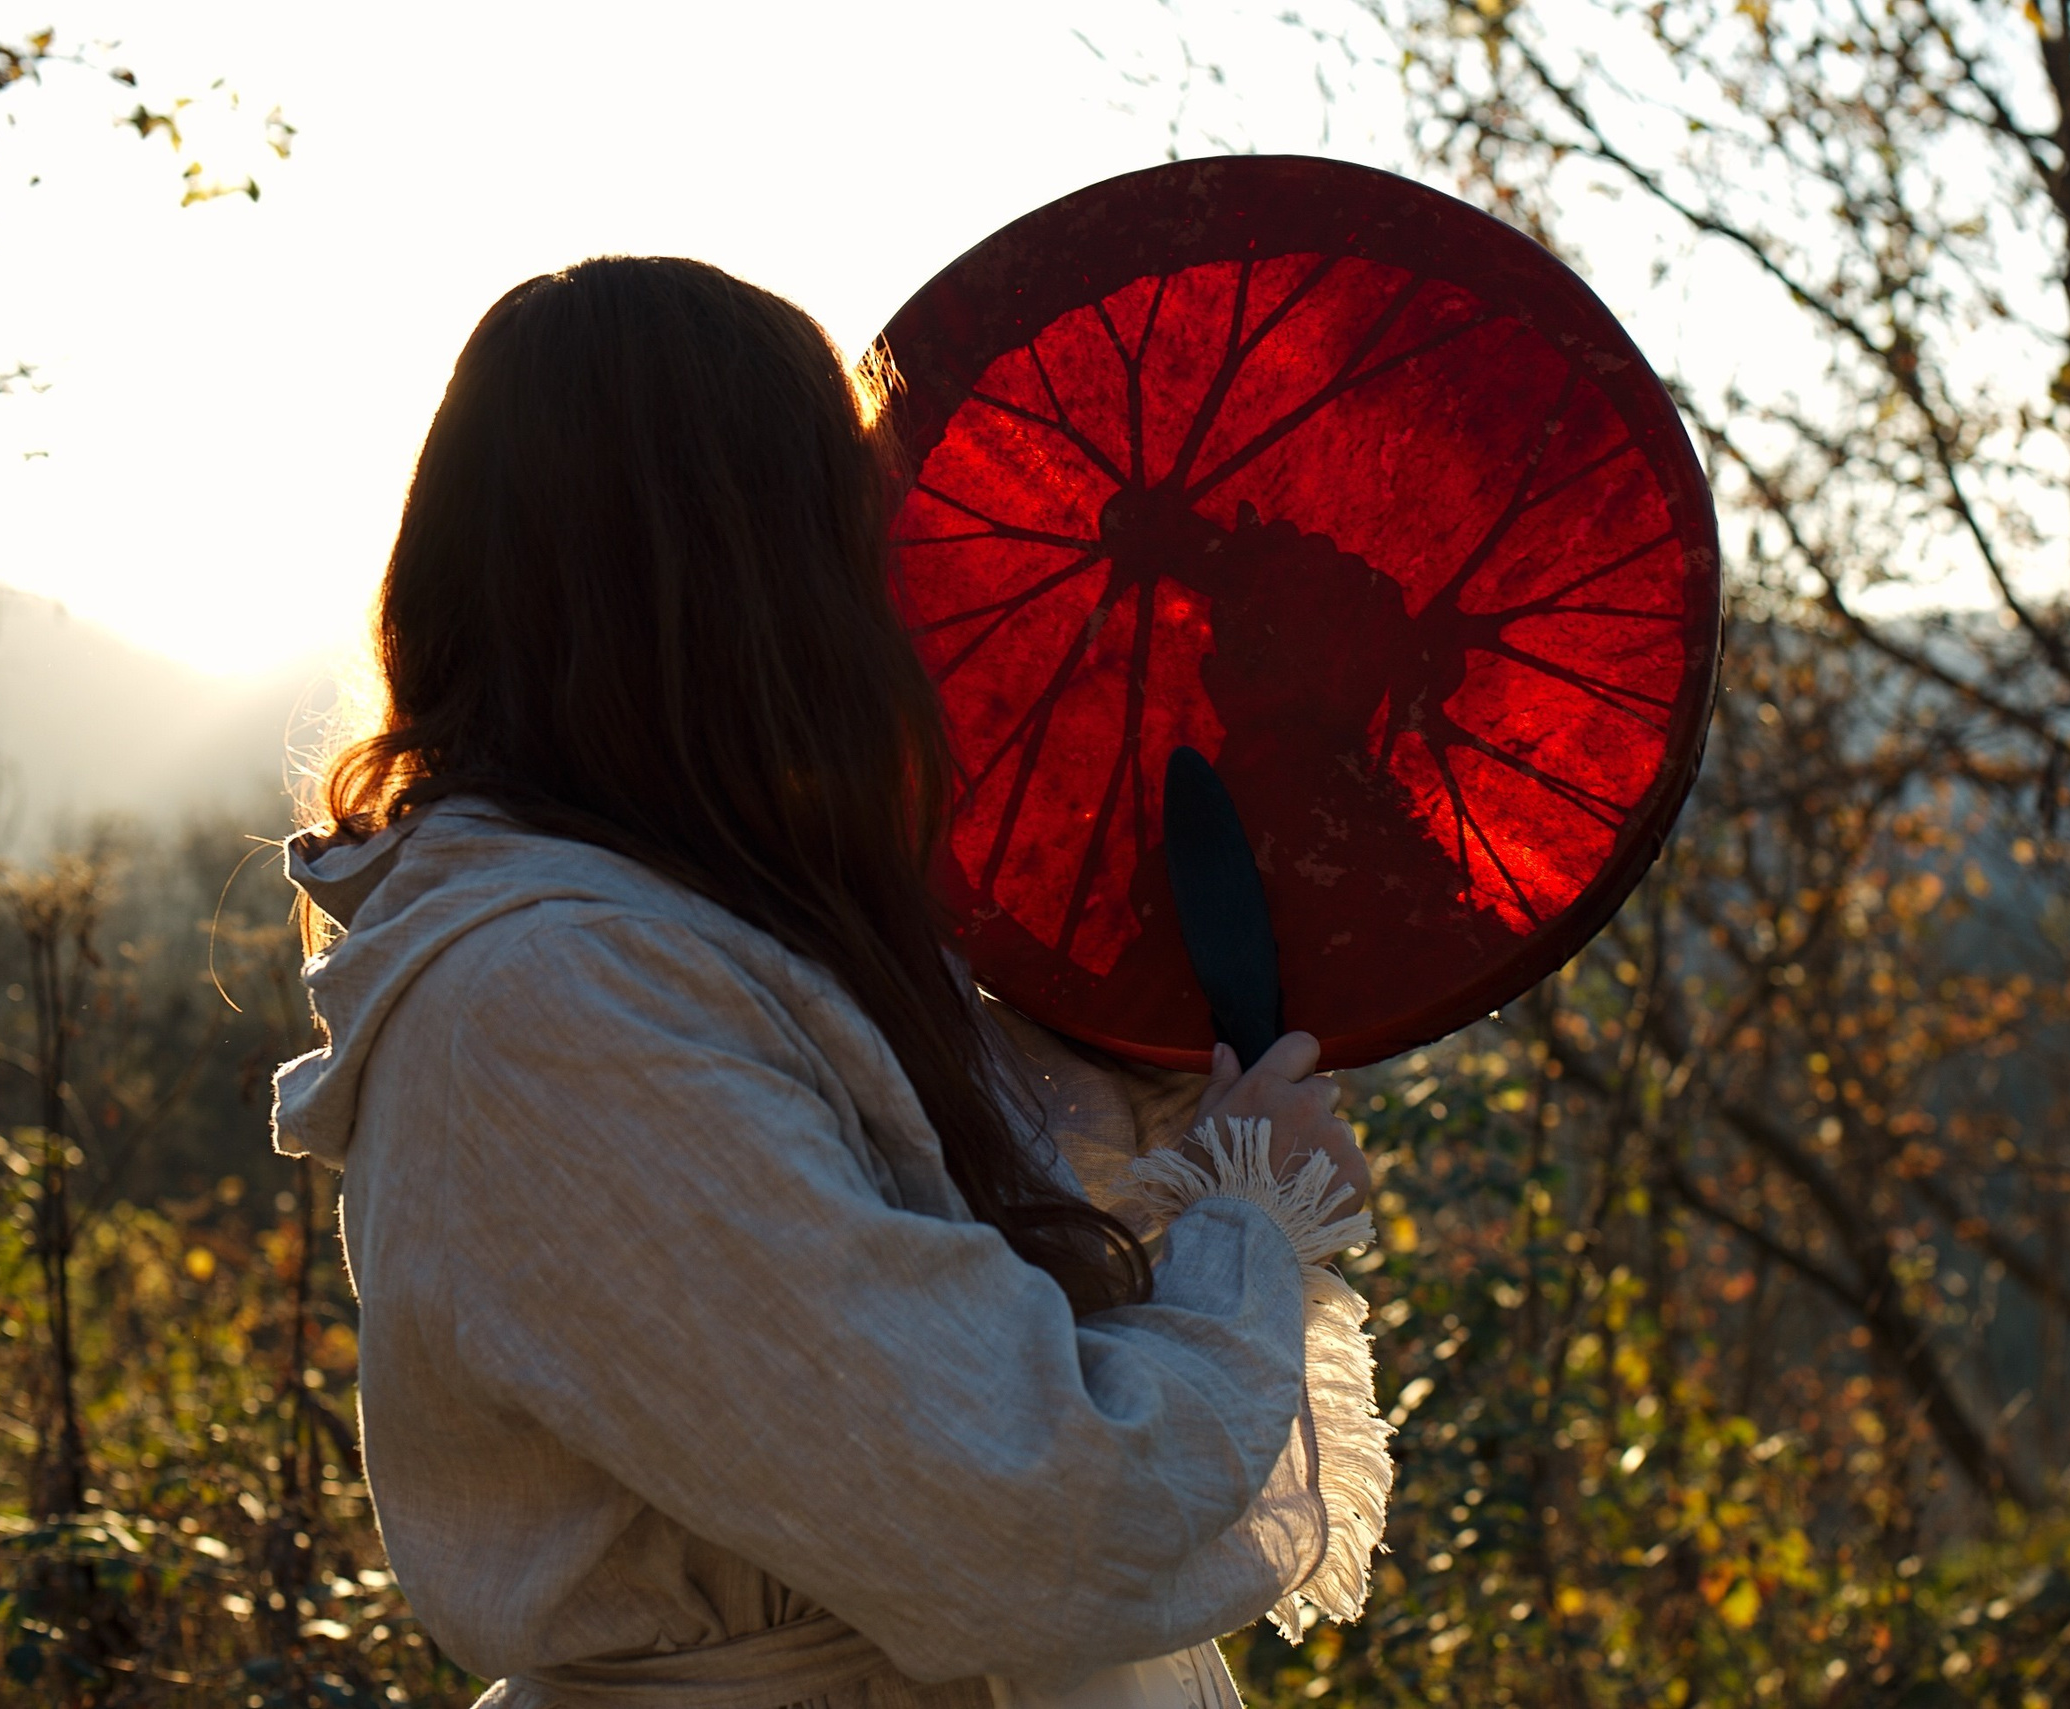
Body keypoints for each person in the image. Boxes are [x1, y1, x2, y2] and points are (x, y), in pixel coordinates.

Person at [272, 256, 1392, 1709]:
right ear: (746, 578)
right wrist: (1250, 1225)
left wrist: (1259, 801)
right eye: (861, 537)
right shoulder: (551, 1000)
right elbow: (1012, 1494)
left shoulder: (693, 923)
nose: (898, 600)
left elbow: (972, 1209)